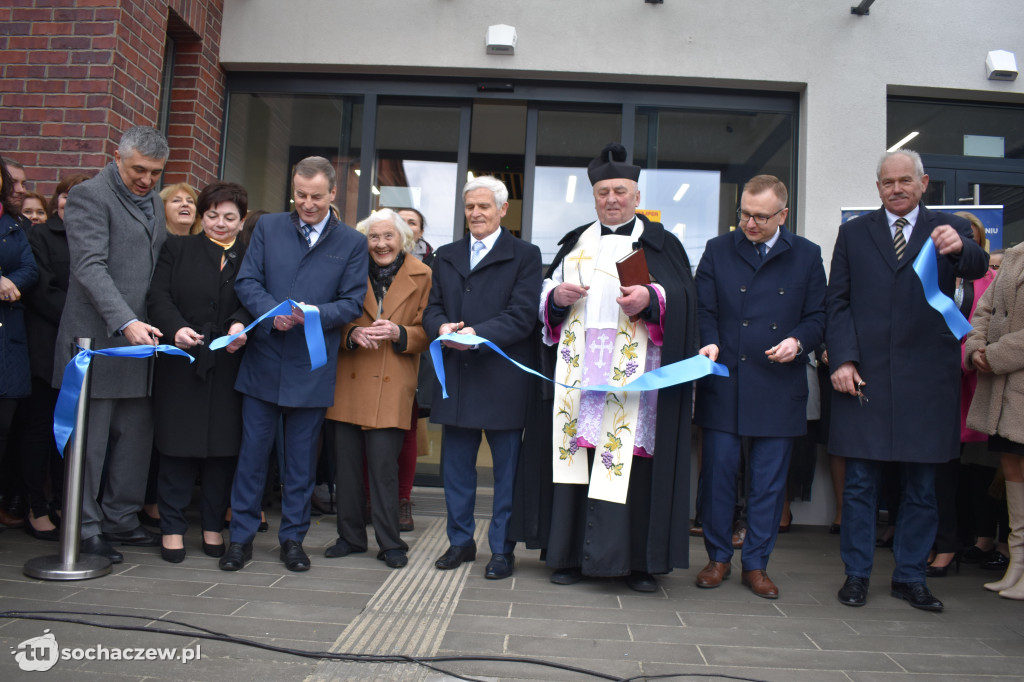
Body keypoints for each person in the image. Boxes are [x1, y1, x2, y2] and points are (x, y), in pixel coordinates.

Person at [512, 143, 699, 593]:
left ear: (636, 195)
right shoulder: (574, 241)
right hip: (579, 374)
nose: (611, 199)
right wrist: (553, 300)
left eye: (620, 190)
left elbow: (686, 299)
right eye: (602, 192)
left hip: (634, 376)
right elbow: (545, 296)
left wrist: (651, 299)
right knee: (578, 459)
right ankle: (570, 555)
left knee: (626, 462)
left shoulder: (661, 243)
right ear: (594, 197)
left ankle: (635, 564)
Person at [828, 149, 987, 611]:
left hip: (927, 381)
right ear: (877, 187)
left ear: (923, 182)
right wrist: (843, 359)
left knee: (923, 486)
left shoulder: (947, 228)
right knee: (860, 484)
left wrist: (960, 248)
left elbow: (977, 267)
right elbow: (837, 302)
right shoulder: (854, 233)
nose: (896, 188)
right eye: (886, 182)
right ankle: (856, 575)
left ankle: (911, 576)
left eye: (904, 180)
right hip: (864, 380)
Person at [220, 156, 368, 573]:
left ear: (333, 193)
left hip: (312, 363)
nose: (307, 204)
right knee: (252, 456)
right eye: (300, 195)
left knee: (301, 462)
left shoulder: (352, 243)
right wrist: (271, 312)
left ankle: (293, 541)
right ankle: (241, 539)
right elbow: (247, 281)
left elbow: (352, 303)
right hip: (265, 355)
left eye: (317, 197)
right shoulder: (268, 228)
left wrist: (312, 315)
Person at [693, 175, 826, 599]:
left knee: (768, 482)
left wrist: (799, 341)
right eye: (745, 215)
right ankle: (717, 558)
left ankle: (757, 564)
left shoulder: (806, 255)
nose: (750, 223)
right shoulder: (718, 250)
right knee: (718, 475)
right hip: (726, 378)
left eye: (761, 217)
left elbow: (820, 316)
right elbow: (704, 307)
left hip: (778, 381)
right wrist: (708, 340)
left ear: (782, 215)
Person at [51, 126, 170, 563]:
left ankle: (121, 518)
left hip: (142, 345)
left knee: (134, 439)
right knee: (91, 443)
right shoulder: (90, 196)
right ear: (116, 157)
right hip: (98, 341)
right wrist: (125, 321)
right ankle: (84, 527)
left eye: (155, 172)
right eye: (139, 169)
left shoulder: (155, 201)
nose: (147, 179)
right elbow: (89, 267)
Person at [422, 175, 542, 580]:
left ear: (503, 210)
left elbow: (523, 315)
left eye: (484, 207)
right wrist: (441, 328)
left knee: (506, 473)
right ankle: (460, 542)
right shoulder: (446, 254)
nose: (476, 213)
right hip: (456, 377)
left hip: (502, 379)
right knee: (456, 470)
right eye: (470, 207)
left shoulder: (525, 254)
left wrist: (477, 335)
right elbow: (432, 307)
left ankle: (502, 549)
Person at [147, 182, 252, 563]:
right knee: (176, 448)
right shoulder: (177, 248)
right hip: (182, 360)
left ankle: (212, 526)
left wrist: (241, 323)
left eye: (229, 218)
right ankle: (172, 529)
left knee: (223, 451)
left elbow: (254, 299)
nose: (219, 224)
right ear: (201, 216)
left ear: (242, 221)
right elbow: (158, 296)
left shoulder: (250, 256)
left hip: (230, 364)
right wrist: (175, 327)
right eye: (212, 216)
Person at [323, 209, 431, 568]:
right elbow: (329, 318)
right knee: (348, 468)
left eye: (389, 236)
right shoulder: (347, 268)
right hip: (350, 375)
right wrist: (351, 333)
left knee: (384, 468)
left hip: (394, 377)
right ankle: (349, 537)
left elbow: (429, 328)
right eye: (373, 237)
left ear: (404, 240)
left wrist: (401, 334)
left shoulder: (424, 274)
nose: (381, 244)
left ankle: (390, 543)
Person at [21, 173, 91, 540]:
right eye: (66, 196)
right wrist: (82, 318)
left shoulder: (92, 236)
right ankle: (36, 505)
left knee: (73, 433)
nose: (71, 204)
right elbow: (41, 291)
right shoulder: (39, 237)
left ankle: (65, 502)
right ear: (57, 200)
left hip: (83, 349)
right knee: (41, 430)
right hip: (48, 347)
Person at [965, 241, 1024, 600]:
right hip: (1003, 388)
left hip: (1012, 375)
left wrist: (994, 354)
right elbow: (983, 310)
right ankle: (1016, 564)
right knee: (1011, 468)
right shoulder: (1014, 255)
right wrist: (975, 349)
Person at [0, 158, 39, 530]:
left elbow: (29, 269)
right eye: (15, 182)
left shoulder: (16, 225)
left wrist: (12, 281)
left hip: (7, 342)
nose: (20, 189)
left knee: (5, 429)